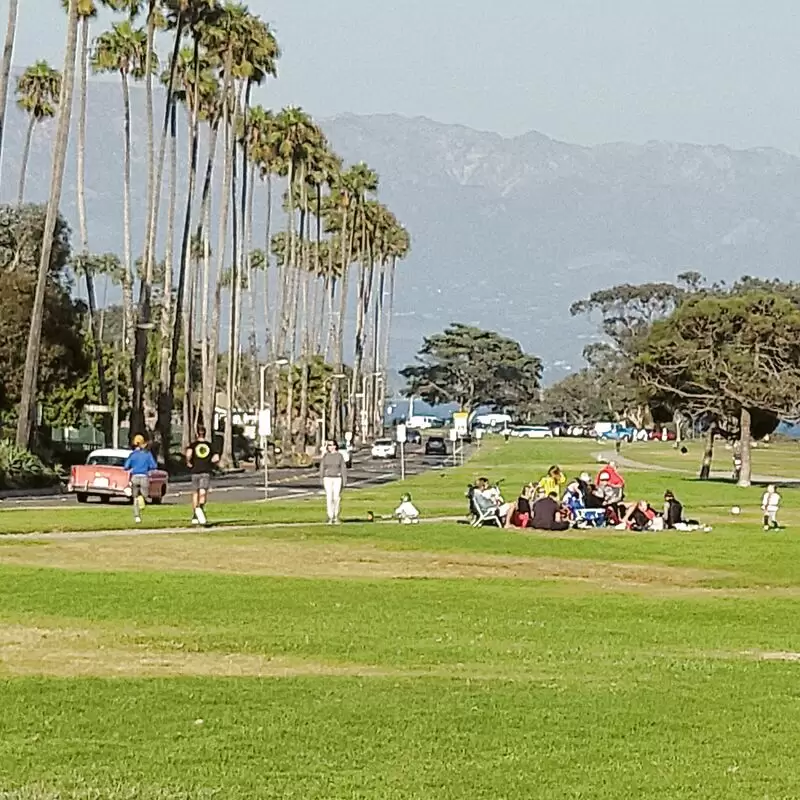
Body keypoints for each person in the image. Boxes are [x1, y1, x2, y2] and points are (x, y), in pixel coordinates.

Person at [185, 426, 220, 526]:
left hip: (195, 471)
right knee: (203, 492)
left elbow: (188, 454)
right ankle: (200, 508)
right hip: (206, 471)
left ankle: (195, 514)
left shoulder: (193, 445)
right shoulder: (209, 446)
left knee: (195, 493)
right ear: (205, 433)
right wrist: (210, 463)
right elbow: (216, 458)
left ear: (197, 434)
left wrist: (189, 462)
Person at [124, 434, 157, 525]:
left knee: (135, 498)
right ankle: (142, 499)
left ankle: (137, 516)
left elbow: (126, 467)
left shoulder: (132, 455)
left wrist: (132, 466)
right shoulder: (147, 454)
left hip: (134, 477)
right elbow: (154, 466)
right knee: (145, 495)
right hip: (144, 477)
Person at [320, 440, 348, 524]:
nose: (330, 447)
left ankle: (336, 516)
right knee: (329, 497)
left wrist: (344, 480)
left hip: (337, 478)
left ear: (335, 446)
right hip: (327, 478)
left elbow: (343, 468)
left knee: (336, 497)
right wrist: (322, 478)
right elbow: (322, 467)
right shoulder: (325, 456)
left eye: (332, 445)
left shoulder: (339, 456)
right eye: (329, 445)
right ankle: (330, 516)